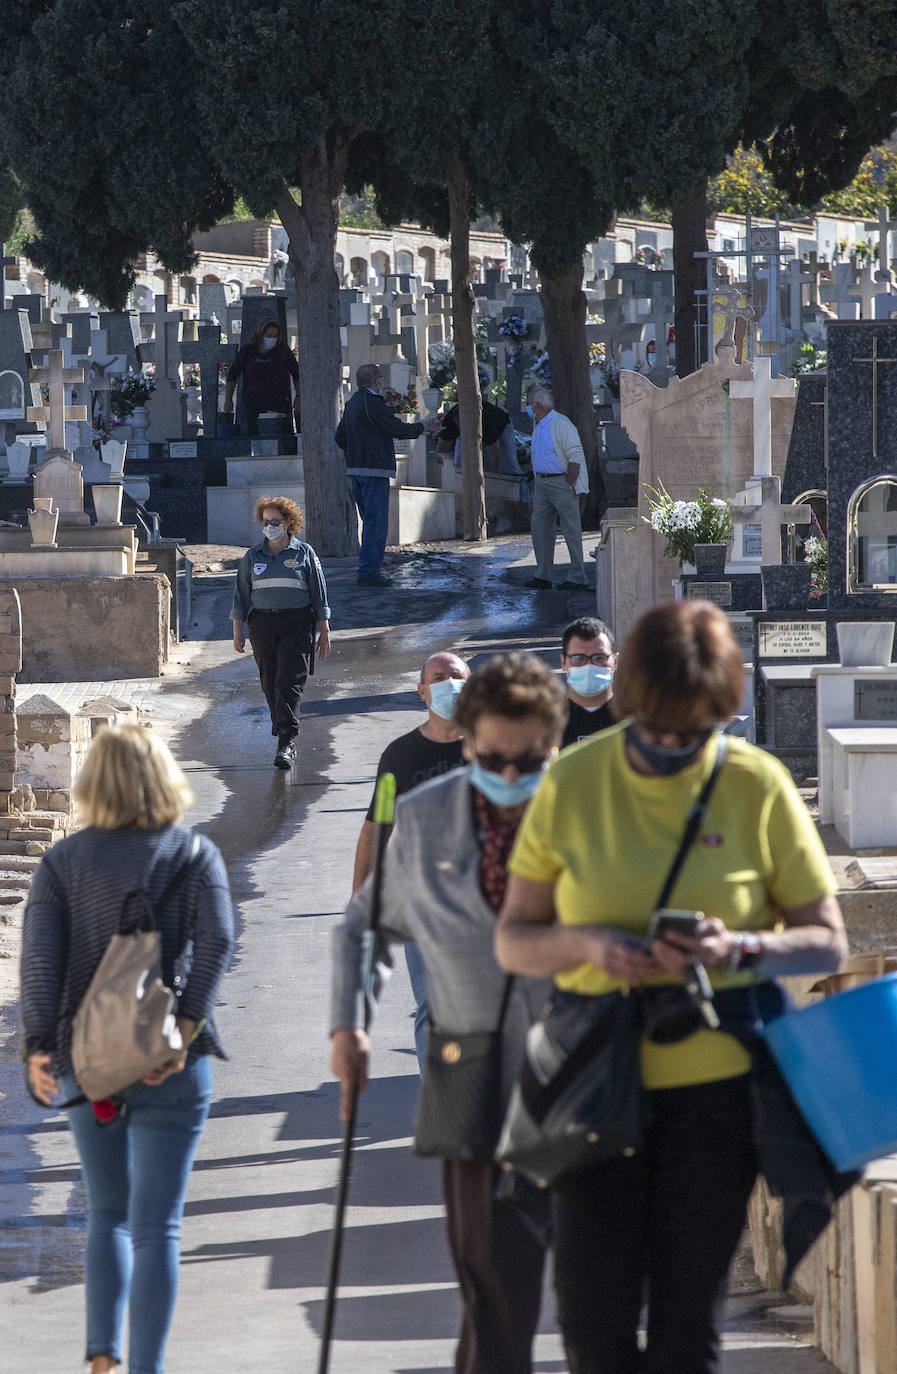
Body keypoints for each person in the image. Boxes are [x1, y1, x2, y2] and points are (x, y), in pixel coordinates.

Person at [496, 600, 848, 1374]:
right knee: (594, 1329)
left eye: (690, 733)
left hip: (717, 1098)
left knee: (687, 1331)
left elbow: (826, 938)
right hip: (593, 1081)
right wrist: (589, 943)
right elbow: (514, 938)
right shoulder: (573, 780)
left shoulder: (756, 783)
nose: (668, 745)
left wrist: (739, 945)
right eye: (656, 728)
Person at [331, 653, 568, 1374]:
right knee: (487, 1274)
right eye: (491, 757)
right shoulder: (423, 815)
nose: (507, 776)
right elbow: (362, 926)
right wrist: (349, 1024)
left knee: (592, 1287)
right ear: (466, 743)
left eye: (527, 759)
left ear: (553, 746)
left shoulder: (588, 812)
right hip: (468, 1062)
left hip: (576, 1065)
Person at [21, 725, 235, 1374]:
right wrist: (188, 1023)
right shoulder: (194, 856)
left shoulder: (61, 864)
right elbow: (219, 940)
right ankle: (148, 1369)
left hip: (88, 1062)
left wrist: (37, 1047)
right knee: (158, 1228)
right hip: (172, 1063)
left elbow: (38, 962)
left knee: (106, 1212)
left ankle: (101, 1357)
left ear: (92, 782)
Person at [352, 650, 471, 1067]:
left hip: (487, 899)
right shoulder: (400, 756)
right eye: (438, 678)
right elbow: (374, 829)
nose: (448, 684)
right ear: (422, 692)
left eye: (456, 676)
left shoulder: (493, 749)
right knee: (433, 1007)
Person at [231, 495, 331, 769]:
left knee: (289, 681)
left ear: (288, 522)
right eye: (266, 522)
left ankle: (286, 740)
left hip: (297, 623)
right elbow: (241, 596)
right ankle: (282, 728)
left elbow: (319, 593)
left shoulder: (304, 553)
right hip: (262, 625)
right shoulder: (253, 556)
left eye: (276, 521)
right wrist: (238, 630)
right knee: (270, 681)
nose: (270, 526)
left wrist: (324, 628)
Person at [335, 362, 440, 587]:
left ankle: (368, 569)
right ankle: (369, 573)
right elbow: (395, 428)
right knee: (376, 523)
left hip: (355, 470)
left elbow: (339, 437)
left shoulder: (352, 403)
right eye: (380, 379)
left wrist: (355, 451)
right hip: (374, 469)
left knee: (369, 522)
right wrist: (423, 428)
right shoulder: (373, 403)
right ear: (377, 381)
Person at [523, 384, 588, 591]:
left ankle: (578, 576)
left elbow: (574, 453)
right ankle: (543, 575)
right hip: (542, 483)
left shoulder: (561, 423)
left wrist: (569, 481)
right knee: (540, 528)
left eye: (529, 404)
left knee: (571, 529)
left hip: (561, 481)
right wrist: (536, 485)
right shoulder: (538, 424)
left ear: (538, 405)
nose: (527, 408)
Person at [437, 365, 524, 477]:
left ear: (472, 421)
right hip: (473, 425)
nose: (464, 429)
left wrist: (496, 479)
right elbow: (441, 451)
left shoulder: (488, 423)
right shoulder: (449, 423)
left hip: (502, 425)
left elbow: (496, 455)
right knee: (459, 463)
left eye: (466, 426)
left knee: (509, 464)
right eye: (461, 426)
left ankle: (520, 492)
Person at [223, 316, 300, 437]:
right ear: (260, 334)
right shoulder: (248, 351)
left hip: (279, 403)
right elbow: (232, 375)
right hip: (253, 403)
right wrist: (228, 399)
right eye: (269, 336)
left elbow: (297, 374)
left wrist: (299, 397)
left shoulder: (283, 351)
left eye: (275, 336)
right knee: (254, 436)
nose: (272, 339)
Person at [559, 615, 618, 748]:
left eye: (599, 658)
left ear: (616, 661)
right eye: (578, 658)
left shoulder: (634, 723)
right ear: (563, 662)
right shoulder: (548, 721)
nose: (589, 666)